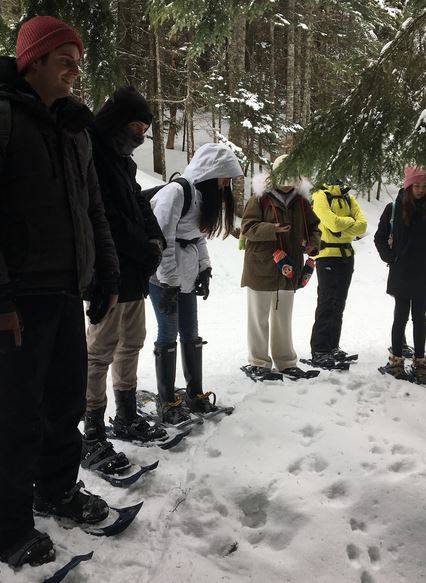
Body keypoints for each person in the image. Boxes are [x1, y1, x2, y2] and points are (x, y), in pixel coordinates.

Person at [0, 16, 120, 568]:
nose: (75, 70)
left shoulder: (75, 129)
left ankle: (57, 490)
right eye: (64, 59)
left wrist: (107, 272)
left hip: (66, 290)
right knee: (15, 413)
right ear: (34, 61)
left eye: (78, 60)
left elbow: (94, 208)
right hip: (19, 299)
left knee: (65, 403)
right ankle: (9, 525)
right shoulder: (4, 115)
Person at [82, 87, 168, 474]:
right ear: (117, 122)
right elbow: (105, 219)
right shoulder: (92, 153)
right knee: (99, 350)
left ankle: (126, 415)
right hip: (107, 273)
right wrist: (141, 246)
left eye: (144, 131)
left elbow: (138, 206)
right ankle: (92, 434)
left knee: (131, 343)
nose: (138, 137)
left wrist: (156, 240)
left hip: (133, 273)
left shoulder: (124, 162)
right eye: (135, 127)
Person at [149, 143, 242, 424]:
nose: (226, 184)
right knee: (168, 332)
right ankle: (167, 401)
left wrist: (205, 269)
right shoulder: (177, 192)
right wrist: (168, 283)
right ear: (211, 172)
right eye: (224, 177)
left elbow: (197, 235)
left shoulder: (203, 196)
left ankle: (194, 393)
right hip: (163, 275)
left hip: (185, 274)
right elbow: (161, 239)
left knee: (191, 333)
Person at [240, 156, 321, 377]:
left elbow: (315, 228)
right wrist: (272, 228)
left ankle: (286, 362)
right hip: (261, 265)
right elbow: (247, 227)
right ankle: (259, 362)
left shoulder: (302, 201)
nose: (288, 183)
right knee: (259, 317)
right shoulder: (260, 198)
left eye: (292, 178)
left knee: (283, 316)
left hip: (289, 266)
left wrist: (313, 245)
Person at [374, 167, 426, 383]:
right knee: (400, 317)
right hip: (401, 271)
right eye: (417, 185)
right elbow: (379, 237)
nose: (421, 190)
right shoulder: (394, 208)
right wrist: (390, 258)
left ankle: (420, 365)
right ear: (408, 185)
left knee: (420, 320)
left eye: (424, 186)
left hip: (423, 272)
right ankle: (396, 364)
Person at [309, 180, 367, 366]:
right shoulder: (320, 196)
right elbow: (332, 224)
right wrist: (350, 223)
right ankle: (319, 349)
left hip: (347, 256)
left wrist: (345, 228)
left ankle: (333, 346)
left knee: (339, 303)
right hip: (326, 256)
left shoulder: (348, 198)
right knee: (327, 302)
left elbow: (363, 226)